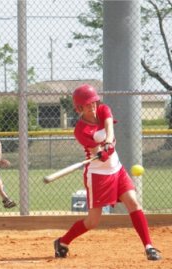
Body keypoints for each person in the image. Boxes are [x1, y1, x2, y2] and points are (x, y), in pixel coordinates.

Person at [53, 84, 161, 261]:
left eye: (94, 101)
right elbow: (98, 154)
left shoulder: (104, 110)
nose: (93, 106)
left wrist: (109, 143)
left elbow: (109, 128)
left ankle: (149, 246)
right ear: (79, 108)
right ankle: (63, 242)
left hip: (117, 169)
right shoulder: (80, 130)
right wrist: (102, 152)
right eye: (88, 104)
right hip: (97, 176)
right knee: (92, 222)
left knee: (133, 203)